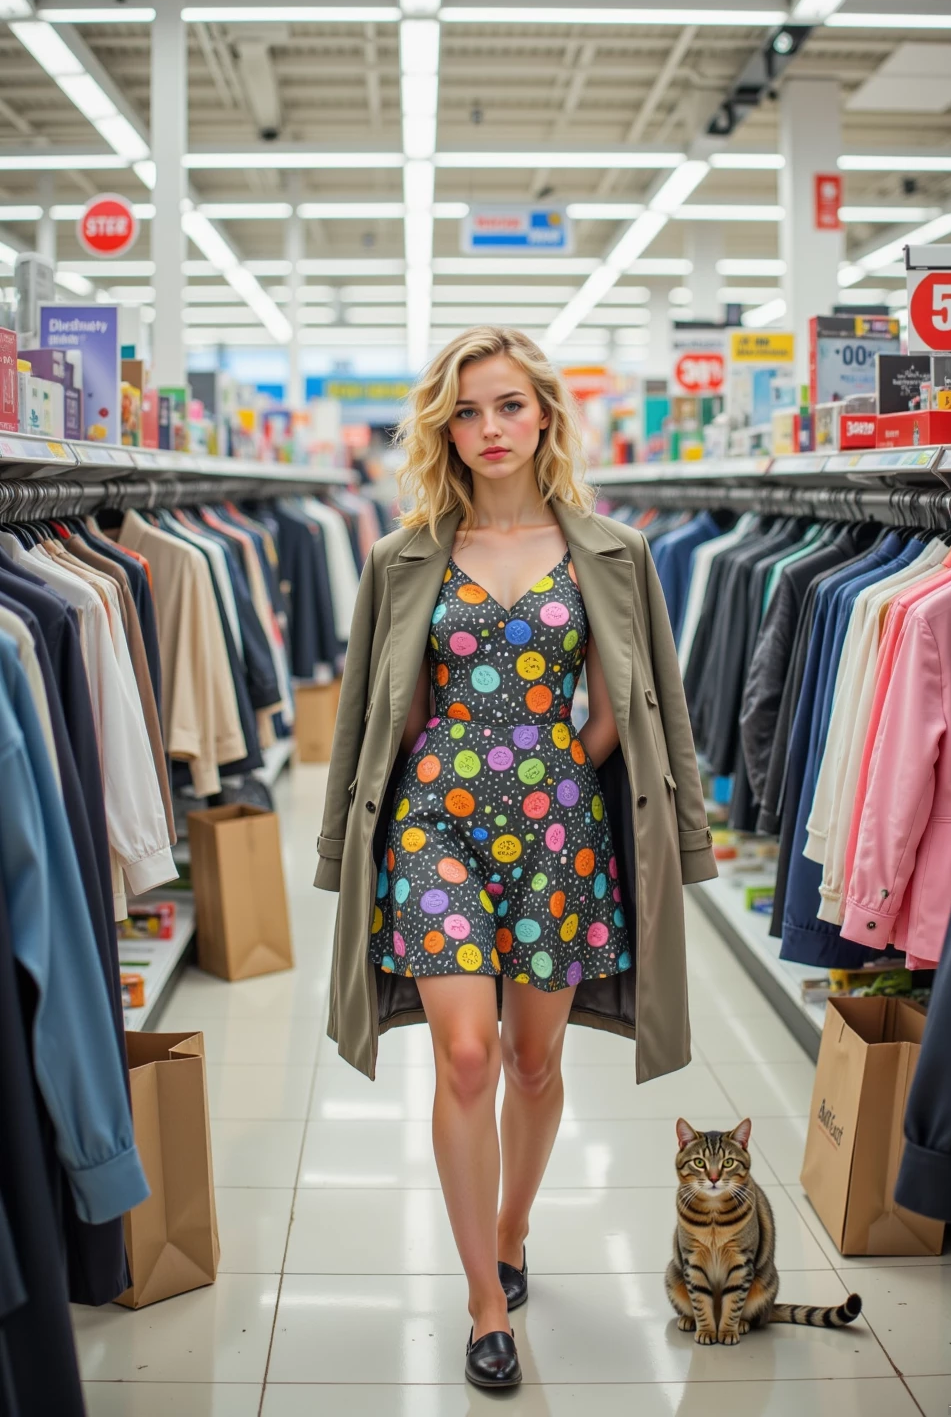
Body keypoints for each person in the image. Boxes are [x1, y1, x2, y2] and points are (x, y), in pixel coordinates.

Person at [315, 327, 716, 1391]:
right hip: (433, 826)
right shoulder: (401, 557)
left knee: (536, 1061)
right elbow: (372, 710)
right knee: (464, 1058)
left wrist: (567, 771)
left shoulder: (614, 553)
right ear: (441, 429)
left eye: (505, 406)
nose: (487, 430)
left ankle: (513, 1227)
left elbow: (644, 703)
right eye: (464, 411)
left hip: (558, 833)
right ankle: (484, 1304)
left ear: (544, 414)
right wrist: (404, 791)